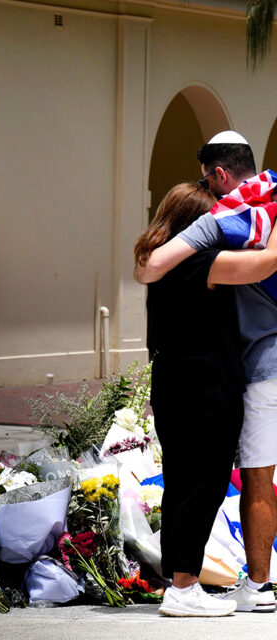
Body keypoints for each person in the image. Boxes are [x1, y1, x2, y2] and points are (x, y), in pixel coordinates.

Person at [136, 131, 277, 613]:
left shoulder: (167, 271)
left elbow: (147, 267)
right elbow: (265, 264)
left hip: (172, 386)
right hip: (208, 389)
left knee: (179, 483)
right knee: (204, 485)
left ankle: (179, 583)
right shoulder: (207, 265)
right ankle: (184, 588)